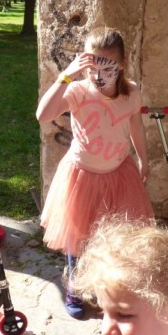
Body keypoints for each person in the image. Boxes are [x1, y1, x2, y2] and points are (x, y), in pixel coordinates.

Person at [36, 26, 154, 318]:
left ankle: (109, 289)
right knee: (78, 238)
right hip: (82, 176)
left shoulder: (131, 92)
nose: (98, 75)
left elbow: (136, 126)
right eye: (92, 66)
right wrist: (67, 75)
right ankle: (75, 288)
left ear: (122, 64)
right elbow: (43, 115)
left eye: (107, 67)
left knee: (116, 238)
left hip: (119, 175)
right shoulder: (78, 91)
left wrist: (143, 158)